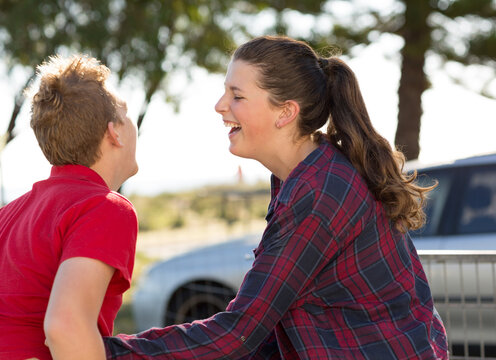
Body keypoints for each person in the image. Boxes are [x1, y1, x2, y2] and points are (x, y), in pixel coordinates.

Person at [105, 35, 448, 359]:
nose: (220, 105)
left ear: (285, 112)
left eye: (237, 96)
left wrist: (108, 352)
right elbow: (272, 326)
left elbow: (238, 333)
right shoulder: (307, 176)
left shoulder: (318, 191)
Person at [0, 54, 139, 360]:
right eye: (127, 115)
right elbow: (66, 326)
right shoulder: (105, 208)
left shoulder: (7, 215)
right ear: (113, 132)